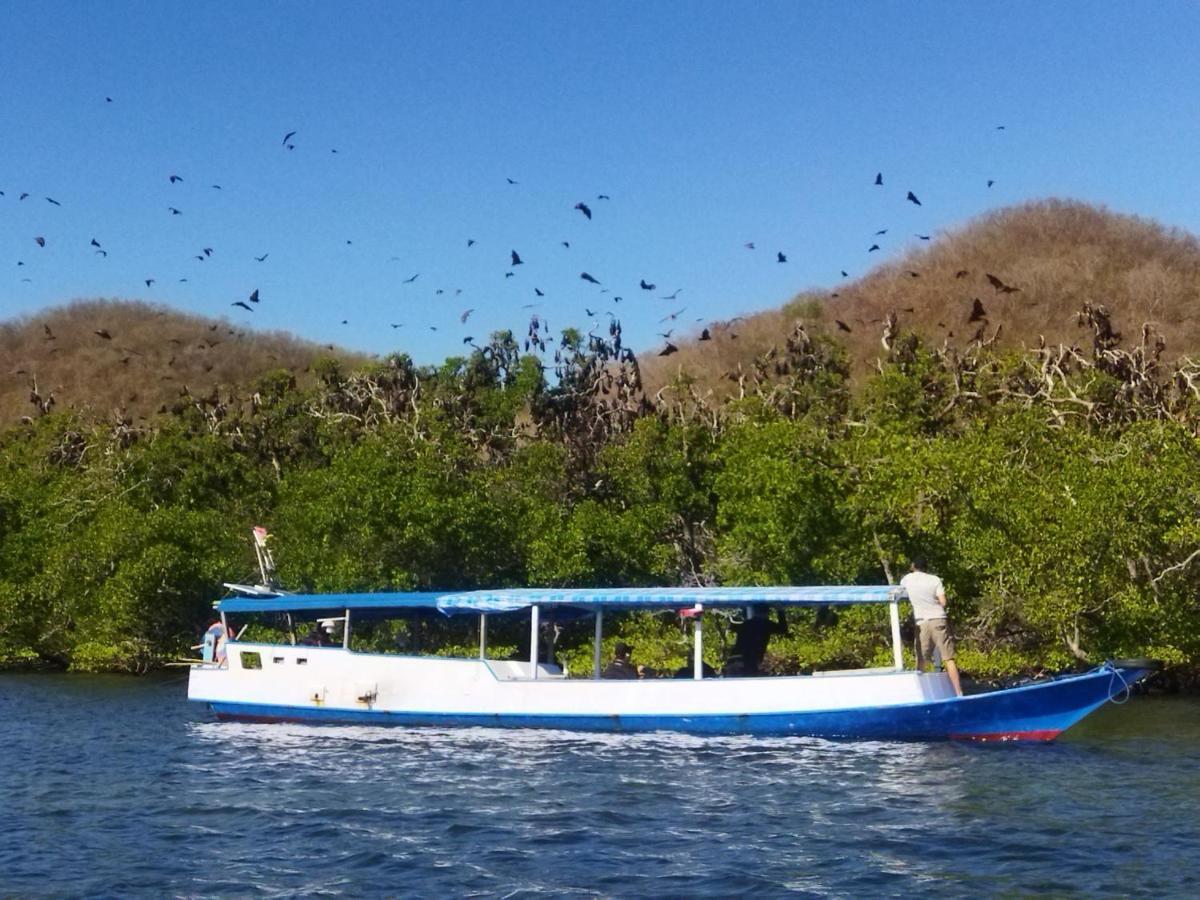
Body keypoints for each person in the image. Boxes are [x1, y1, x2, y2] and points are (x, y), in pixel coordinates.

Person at [899, 556, 963, 696]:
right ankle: (959, 693)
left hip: (921, 621)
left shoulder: (907, 579)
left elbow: (902, 590)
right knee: (948, 657)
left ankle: (919, 694)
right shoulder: (935, 579)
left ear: (914, 565)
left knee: (921, 658)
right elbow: (943, 602)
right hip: (938, 618)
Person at [725, 605, 788, 675]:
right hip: (748, 660)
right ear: (766, 613)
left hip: (736, 658)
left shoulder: (746, 624)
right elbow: (783, 629)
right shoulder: (765, 624)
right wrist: (780, 610)